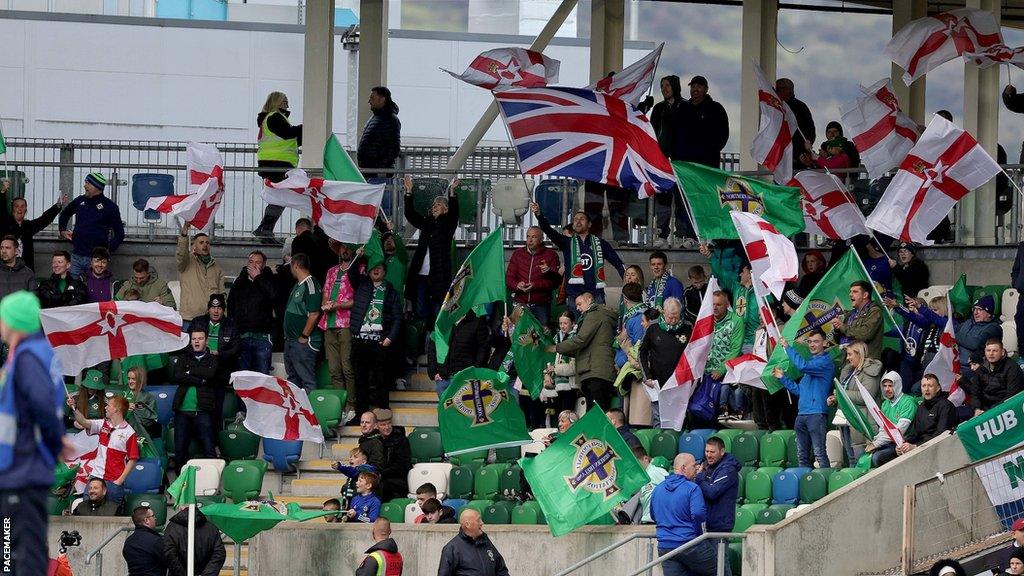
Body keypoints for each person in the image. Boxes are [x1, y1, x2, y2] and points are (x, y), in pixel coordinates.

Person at [0, 289, 67, 574]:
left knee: (24, 551)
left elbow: (40, 404)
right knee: (14, 552)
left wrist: (56, 440)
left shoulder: (28, 357)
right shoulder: (34, 355)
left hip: (22, 469)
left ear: (14, 322)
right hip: (17, 469)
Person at [532, 203, 626, 311]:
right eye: (575, 219)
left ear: (589, 224)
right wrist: (539, 214)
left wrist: (628, 281)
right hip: (574, 296)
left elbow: (618, 263)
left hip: (596, 296)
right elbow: (548, 230)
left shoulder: (600, 243)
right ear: (573, 225)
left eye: (582, 219)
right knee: (576, 327)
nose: (578, 221)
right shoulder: (566, 242)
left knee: (597, 326)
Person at [650, 453, 719, 576]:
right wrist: (699, 534)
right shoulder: (692, 488)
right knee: (719, 570)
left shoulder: (658, 489)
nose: (697, 469)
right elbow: (698, 514)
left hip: (665, 546)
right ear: (683, 468)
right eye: (694, 466)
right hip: (689, 543)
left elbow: (653, 515)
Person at [403, 175, 459, 324]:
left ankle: (433, 342)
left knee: (437, 311)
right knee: (420, 311)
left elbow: (455, 214)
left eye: (439, 204)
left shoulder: (448, 225)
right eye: (434, 204)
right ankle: (422, 343)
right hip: (420, 275)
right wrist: (408, 192)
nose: (435, 206)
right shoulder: (427, 223)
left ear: (446, 209)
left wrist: (452, 193)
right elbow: (410, 215)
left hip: (438, 277)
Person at [773, 332, 834, 469]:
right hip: (802, 414)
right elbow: (799, 391)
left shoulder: (825, 362)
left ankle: (827, 486)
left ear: (824, 343)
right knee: (802, 455)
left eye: (816, 341)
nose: (812, 344)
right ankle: (806, 485)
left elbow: (802, 366)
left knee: (819, 453)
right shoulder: (811, 364)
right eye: (810, 341)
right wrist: (783, 378)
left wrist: (788, 348)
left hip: (816, 414)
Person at [351, 263, 403, 412]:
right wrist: (359, 257)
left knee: (381, 379)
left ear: (385, 272)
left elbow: (397, 318)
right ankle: (361, 414)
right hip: (360, 340)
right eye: (373, 266)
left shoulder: (390, 290)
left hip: (379, 342)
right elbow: (351, 273)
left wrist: (390, 338)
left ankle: (382, 413)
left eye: (380, 267)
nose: (376, 269)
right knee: (360, 379)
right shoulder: (362, 284)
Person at [252, 91, 302, 241]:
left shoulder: (272, 119)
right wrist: (308, 126)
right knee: (280, 198)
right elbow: (288, 133)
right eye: (284, 100)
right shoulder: (275, 117)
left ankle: (264, 229)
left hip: (273, 163)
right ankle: (265, 230)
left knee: (278, 197)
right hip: (277, 163)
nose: (287, 103)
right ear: (276, 102)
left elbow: (288, 138)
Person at [71, 395, 139, 505]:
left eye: (108, 405)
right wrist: (74, 408)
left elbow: (133, 459)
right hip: (95, 476)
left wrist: (120, 481)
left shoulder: (129, 432)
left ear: (117, 408)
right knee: (86, 511)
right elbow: (83, 422)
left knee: (111, 516)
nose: (105, 408)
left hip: (114, 480)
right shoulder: (103, 423)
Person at [554, 292, 618, 410]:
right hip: (593, 371)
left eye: (579, 304)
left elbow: (581, 340)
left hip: (596, 372)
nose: (577, 308)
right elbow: (582, 347)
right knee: (596, 412)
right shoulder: (594, 316)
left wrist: (556, 348)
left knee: (596, 414)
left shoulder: (594, 314)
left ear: (589, 300)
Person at [650, 75, 692, 249]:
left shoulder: (686, 107)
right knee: (663, 200)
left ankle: (683, 234)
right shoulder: (659, 109)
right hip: (661, 162)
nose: (664, 88)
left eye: (667, 85)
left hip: (681, 161)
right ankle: (661, 234)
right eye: (662, 86)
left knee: (682, 200)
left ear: (675, 86)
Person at [58, 172, 125, 277]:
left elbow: (120, 234)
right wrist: (62, 230)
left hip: (96, 260)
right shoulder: (80, 201)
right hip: (76, 256)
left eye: (88, 183)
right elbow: (65, 214)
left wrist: (106, 251)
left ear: (97, 186)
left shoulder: (110, 206)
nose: (84, 185)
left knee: (93, 291)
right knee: (72, 289)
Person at [169, 329, 219, 469]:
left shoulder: (212, 359)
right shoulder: (183, 357)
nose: (197, 341)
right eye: (194, 338)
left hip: (203, 412)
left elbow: (210, 374)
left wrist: (189, 371)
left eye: (200, 338)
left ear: (206, 341)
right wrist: (199, 380)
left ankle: (212, 486)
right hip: (182, 412)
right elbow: (176, 376)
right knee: (180, 452)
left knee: (209, 449)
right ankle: (180, 487)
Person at [320, 243, 359, 421]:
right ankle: (339, 405)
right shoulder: (331, 271)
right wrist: (326, 305)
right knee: (334, 369)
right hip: (329, 323)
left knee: (347, 367)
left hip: (346, 324)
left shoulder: (358, 269)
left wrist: (339, 305)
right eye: (342, 248)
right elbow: (326, 294)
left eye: (347, 248)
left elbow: (357, 299)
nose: (344, 251)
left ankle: (352, 404)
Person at [226, 250, 277, 374]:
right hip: (242, 336)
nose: (253, 265)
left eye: (258, 262)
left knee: (262, 376)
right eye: (251, 262)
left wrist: (258, 277)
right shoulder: (239, 281)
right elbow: (231, 305)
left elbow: (274, 296)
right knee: (243, 377)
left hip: (263, 337)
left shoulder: (270, 279)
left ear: (264, 264)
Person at [834, 341, 883, 463]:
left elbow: (865, 396)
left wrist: (842, 394)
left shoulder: (870, 371)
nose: (848, 358)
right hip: (849, 420)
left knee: (863, 463)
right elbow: (848, 393)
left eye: (850, 354)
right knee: (852, 460)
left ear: (859, 354)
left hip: (864, 421)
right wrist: (836, 398)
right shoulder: (851, 371)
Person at [0, 179, 65, 270]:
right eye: (16, 206)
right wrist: (3, 192)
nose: (20, 209)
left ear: (26, 209)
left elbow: (44, 219)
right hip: (5, 269)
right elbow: (1, 209)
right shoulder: (5, 222)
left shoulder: (28, 226)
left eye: (23, 206)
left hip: (25, 269)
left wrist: (57, 206)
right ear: (12, 209)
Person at [505, 225, 562, 327]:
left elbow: (555, 282)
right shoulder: (518, 254)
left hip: (541, 306)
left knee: (542, 339)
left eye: (534, 237)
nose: (530, 240)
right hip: (520, 305)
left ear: (541, 239)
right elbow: (509, 278)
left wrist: (535, 285)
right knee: (518, 339)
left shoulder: (551, 255)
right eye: (528, 236)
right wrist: (517, 285)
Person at [284, 253, 322, 392]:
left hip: (303, 342)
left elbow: (314, 313)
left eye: (291, 267)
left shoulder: (311, 284)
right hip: (291, 341)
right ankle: (296, 412)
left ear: (296, 265)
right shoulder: (298, 284)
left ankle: (311, 412)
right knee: (293, 381)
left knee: (307, 381)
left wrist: (304, 336)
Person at [176, 223, 225, 328]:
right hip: (189, 319)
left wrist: (224, 317)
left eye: (207, 242)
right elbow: (181, 253)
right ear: (194, 246)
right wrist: (185, 231)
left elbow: (222, 295)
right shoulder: (186, 263)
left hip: (211, 320)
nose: (205, 245)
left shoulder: (217, 268)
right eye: (201, 242)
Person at [896, 374, 958, 456]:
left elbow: (942, 434)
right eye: (924, 386)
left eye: (930, 386)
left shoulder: (945, 406)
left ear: (938, 388)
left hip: (942, 448)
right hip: (922, 447)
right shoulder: (921, 407)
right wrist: (903, 444)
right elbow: (915, 433)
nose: (926, 389)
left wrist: (916, 446)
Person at [437, 508, 510, 576]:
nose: (482, 523)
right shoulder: (451, 548)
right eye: (478, 520)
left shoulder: (486, 542)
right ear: (467, 524)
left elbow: (502, 571)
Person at [704, 291, 744, 414]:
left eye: (719, 305)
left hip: (726, 372)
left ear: (727, 305)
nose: (715, 308)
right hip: (706, 372)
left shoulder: (736, 321)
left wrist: (721, 369)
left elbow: (735, 350)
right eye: (713, 304)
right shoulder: (705, 320)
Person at [866, 372, 917, 467]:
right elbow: (883, 429)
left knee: (877, 457)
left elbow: (898, 431)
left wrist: (877, 444)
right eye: (884, 386)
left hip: (904, 442)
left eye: (890, 385)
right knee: (865, 456)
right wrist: (875, 441)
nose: (887, 389)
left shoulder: (908, 402)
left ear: (897, 385)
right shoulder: (885, 404)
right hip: (889, 442)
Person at [965, 339, 1024, 416]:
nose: (991, 354)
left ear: (1002, 352)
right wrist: (976, 409)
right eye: (988, 350)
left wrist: (990, 412)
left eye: (995, 351)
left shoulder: (1012, 368)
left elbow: (1011, 396)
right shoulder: (980, 370)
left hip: (1006, 410)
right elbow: (975, 393)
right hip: (984, 410)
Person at [163, 505, 226, 576]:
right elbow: (219, 554)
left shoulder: (171, 528)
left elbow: (169, 555)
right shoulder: (211, 527)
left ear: (180, 507)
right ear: (196, 505)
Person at [832, 280, 884, 361]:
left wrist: (842, 327)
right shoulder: (850, 314)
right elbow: (838, 340)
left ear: (865, 295)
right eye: (850, 292)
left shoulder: (875, 311)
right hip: (848, 360)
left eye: (855, 292)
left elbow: (865, 334)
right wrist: (837, 329)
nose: (850, 294)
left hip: (866, 362)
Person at [358, 86, 401, 182]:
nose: (369, 101)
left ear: (382, 99)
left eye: (372, 98)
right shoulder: (376, 118)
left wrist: (381, 168)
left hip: (379, 172)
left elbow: (394, 147)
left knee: (381, 196)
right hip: (370, 171)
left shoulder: (391, 119)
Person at [957, 296, 1003, 379]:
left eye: (979, 309)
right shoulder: (968, 322)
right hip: (954, 363)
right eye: (974, 309)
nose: (975, 312)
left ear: (989, 313)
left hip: (970, 368)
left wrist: (955, 336)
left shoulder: (993, 328)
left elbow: (975, 343)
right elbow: (948, 330)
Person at [775, 78, 816, 169]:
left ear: (789, 90)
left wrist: (807, 145)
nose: (776, 91)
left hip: (799, 158)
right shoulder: (775, 107)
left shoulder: (800, 107)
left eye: (780, 88)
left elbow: (810, 130)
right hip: (781, 158)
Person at [374, 408, 412, 502]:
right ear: (376, 426)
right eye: (383, 425)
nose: (387, 427)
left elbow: (402, 465)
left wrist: (382, 474)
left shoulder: (401, 440)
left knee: (383, 486)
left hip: (396, 479)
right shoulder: (374, 440)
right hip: (377, 476)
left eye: (389, 423)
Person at [123, 505, 167, 576]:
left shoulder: (129, 541)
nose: (155, 518)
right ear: (146, 520)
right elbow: (168, 560)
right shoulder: (155, 540)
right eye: (153, 516)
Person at [125, 366, 160, 439]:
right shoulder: (122, 394)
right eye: (129, 379)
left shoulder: (148, 398)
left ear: (140, 380)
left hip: (142, 434)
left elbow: (150, 421)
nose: (130, 381)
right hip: (124, 434)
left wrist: (137, 408)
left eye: (133, 379)